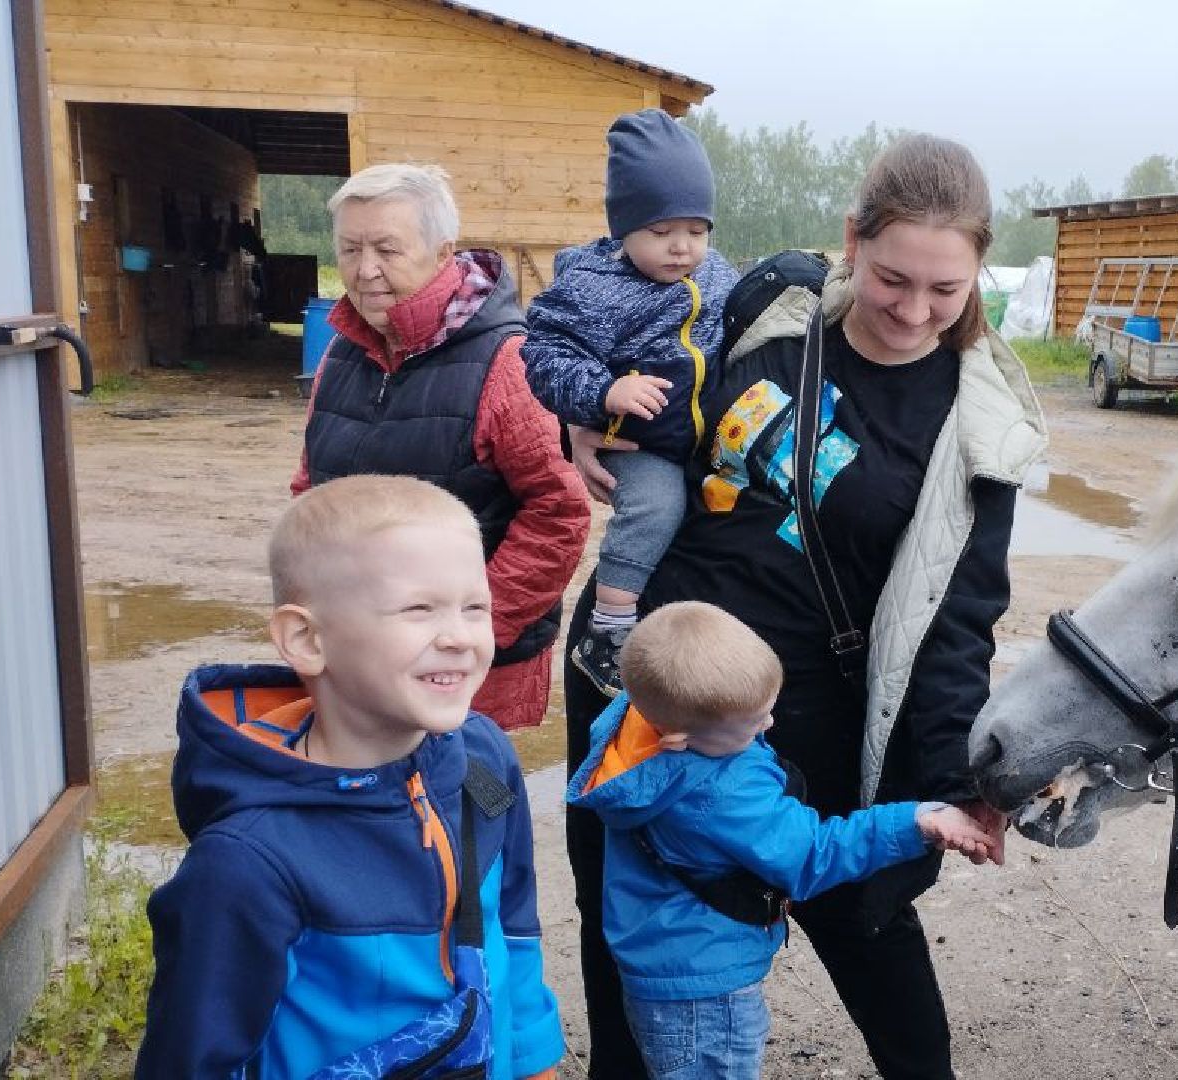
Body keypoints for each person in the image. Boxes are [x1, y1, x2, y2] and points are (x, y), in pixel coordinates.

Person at [561, 132, 1048, 1080]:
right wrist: (582, 413)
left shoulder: (976, 428)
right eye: (892, 278)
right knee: (621, 914)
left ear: (978, 275)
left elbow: (957, 622)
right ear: (852, 240)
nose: (914, 311)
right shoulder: (766, 312)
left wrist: (957, 781)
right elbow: (631, 354)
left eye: (946, 290)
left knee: (860, 913)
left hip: (793, 714)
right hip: (645, 675)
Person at [135, 475, 566, 1079]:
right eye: (418, 609)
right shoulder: (247, 862)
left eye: (475, 607)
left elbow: (514, 923)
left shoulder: (483, 760)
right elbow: (191, 1058)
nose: (459, 638)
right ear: (307, 639)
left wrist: (535, 1059)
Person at [566, 601, 996, 1079]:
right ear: (678, 740)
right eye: (752, 723)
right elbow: (810, 856)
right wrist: (917, 822)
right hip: (708, 987)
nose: (768, 724)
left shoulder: (637, 733)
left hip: (665, 961)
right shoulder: (721, 792)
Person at [293, 161, 589, 732]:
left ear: (442, 253)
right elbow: (311, 490)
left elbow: (559, 512)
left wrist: (470, 633)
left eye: (387, 249)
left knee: (460, 787)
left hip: (467, 673)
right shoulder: (339, 355)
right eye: (350, 249)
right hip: (361, 653)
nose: (365, 270)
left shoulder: (508, 362)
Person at [522, 109, 741, 697]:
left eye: (697, 231)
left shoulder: (717, 276)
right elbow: (544, 355)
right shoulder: (594, 288)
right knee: (654, 507)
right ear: (624, 227)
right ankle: (609, 627)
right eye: (662, 231)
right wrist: (602, 392)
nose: (682, 248)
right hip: (639, 442)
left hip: (705, 440)